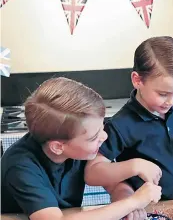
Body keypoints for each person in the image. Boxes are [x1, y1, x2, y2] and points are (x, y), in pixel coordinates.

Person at [1, 77, 161, 220]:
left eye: (102, 127)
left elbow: (114, 184)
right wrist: (133, 202)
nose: (104, 137)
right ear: (57, 147)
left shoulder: (81, 148)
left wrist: (126, 201)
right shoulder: (20, 166)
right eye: (93, 137)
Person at [85, 36, 173, 204]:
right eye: (163, 94)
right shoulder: (121, 125)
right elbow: (92, 173)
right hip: (148, 208)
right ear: (137, 80)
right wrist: (134, 165)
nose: (171, 101)